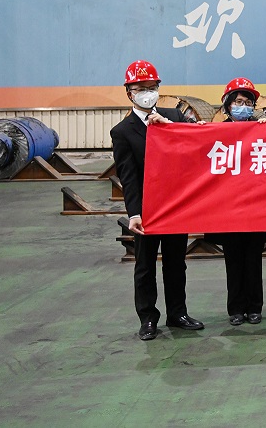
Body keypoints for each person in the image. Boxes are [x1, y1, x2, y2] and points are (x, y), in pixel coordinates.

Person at [110, 60, 204, 341]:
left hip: (175, 205)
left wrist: (170, 126)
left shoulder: (173, 116)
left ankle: (178, 313)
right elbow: (128, 176)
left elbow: (199, 139)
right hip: (148, 210)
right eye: (141, 88)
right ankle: (148, 318)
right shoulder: (123, 132)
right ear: (129, 93)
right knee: (145, 265)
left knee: (176, 263)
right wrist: (134, 213)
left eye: (152, 87)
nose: (147, 93)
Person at [213, 77, 266, 326]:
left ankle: (255, 307)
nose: (243, 107)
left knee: (253, 259)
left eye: (248, 103)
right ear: (228, 105)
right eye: (238, 102)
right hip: (228, 209)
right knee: (233, 260)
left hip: (256, 207)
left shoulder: (261, 130)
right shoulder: (215, 133)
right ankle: (236, 308)